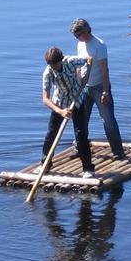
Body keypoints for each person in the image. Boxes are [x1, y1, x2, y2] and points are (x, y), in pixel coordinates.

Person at [70, 18, 127, 160]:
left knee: (108, 120)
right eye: (75, 36)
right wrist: (78, 85)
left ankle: (118, 152)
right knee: (81, 120)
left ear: (87, 30)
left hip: (99, 86)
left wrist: (105, 91)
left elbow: (104, 70)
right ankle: (80, 148)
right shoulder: (80, 44)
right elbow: (78, 66)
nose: (78, 38)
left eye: (79, 34)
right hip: (84, 87)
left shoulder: (99, 45)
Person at [41, 46, 94, 177]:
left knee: (80, 134)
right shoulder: (48, 73)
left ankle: (88, 168)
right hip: (59, 103)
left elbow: (89, 60)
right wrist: (60, 111)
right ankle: (45, 165)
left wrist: (85, 76)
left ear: (61, 60)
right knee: (51, 134)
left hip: (77, 101)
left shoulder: (71, 61)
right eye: (50, 65)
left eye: (55, 64)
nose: (53, 67)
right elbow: (45, 99)